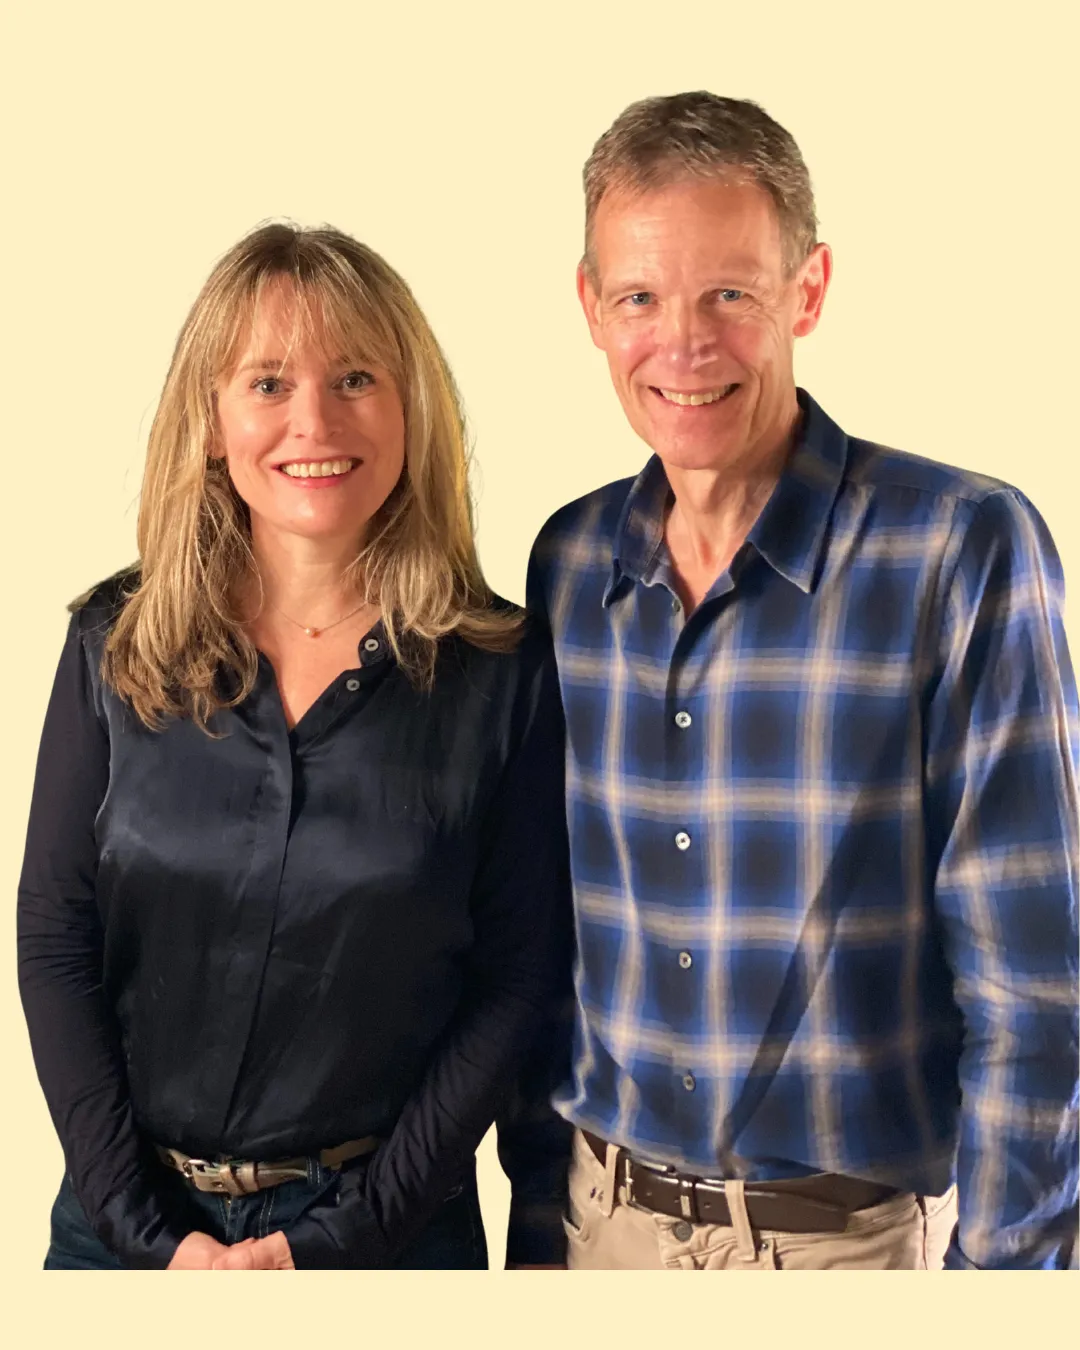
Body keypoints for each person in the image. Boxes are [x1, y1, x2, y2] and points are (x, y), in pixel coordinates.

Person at [527, 91, 1079, 1270]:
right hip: (598, 1230)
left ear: (808, 291)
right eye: (640, 298)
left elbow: (1039, 987)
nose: (683, 344)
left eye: (731, 292)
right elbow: (542, 949)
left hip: (850, 1254)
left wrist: (1016, 1288)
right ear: (591, 308)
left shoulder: (959, 548)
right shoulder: (571, 568)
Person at [18, 222, 572, 1270]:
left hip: (390, 1241)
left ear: (413, 410)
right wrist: (146, 1233)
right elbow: (55, 939)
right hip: (118, 1236)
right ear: (213, 422)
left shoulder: (504, 674)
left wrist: (332, 1241)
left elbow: (516, 982)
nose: (313, 420)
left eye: (356, 375)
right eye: (267, 382)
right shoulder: (113, 645)